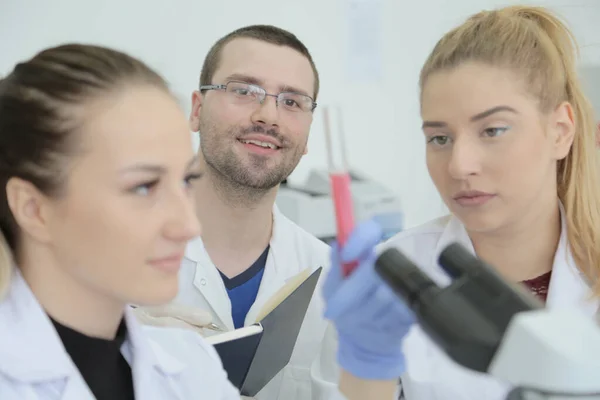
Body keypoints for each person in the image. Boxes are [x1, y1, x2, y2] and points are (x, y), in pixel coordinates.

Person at [318, 5, 600, 400]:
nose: (459, 165)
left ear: (560, 131)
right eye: (439, 138)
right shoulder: (386, 287)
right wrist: (366, 364)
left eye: (493, 130)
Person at [0, 43, 241, 399]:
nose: (188, 226)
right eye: (144, 187)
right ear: (34, 208)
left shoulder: (191, 365)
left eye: (187, 180)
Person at [138, 25, 336, 400]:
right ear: (197, 110)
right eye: (244, 91)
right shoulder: (108, 253)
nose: (268, 116)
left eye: (292, 101)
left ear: (308, 131)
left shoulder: (330, 282)